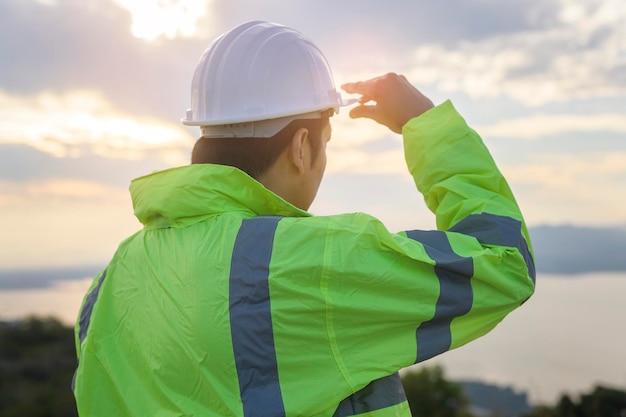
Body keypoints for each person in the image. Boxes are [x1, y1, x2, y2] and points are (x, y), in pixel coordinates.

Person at [73, 21, 535, 417]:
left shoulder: (110, 283)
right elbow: (505, 264)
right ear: (301, 147)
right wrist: (427, 125)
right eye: (325, 141)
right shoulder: (306, 263)